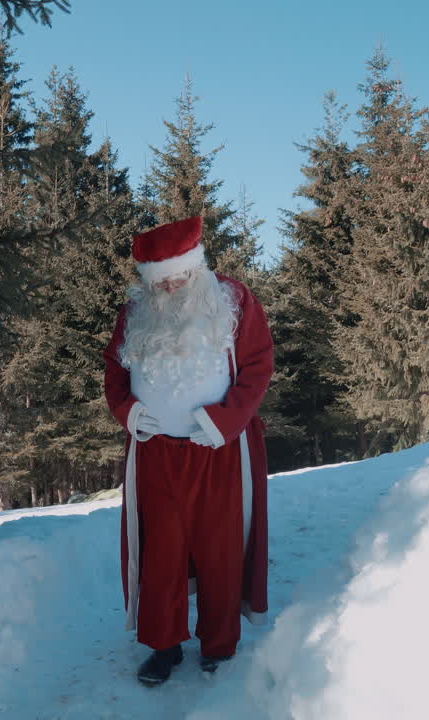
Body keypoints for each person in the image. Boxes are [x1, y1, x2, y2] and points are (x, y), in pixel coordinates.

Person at [103, 215, 273, 686]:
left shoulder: (234, 299)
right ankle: (164, 647)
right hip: (156, 452)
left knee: (220, 551)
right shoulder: (135, 311)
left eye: (178, 276)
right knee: (161, 554)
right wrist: (128, 411)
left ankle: (219, 644)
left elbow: (258, 365)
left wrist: (225, 422)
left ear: (196, 267)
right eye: (160, 280)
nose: (171, 286)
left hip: (219, 451)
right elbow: (114, 370)